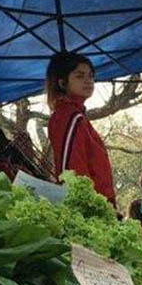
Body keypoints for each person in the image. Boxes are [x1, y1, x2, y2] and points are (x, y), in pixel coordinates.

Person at [45, 52, 116, 205]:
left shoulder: (77, 116)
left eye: (91, 76)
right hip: (89, 205)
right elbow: (70, 172)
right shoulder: (68, 116)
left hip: (99, 202)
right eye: (79, 76)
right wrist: (90, 206)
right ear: (62, 83)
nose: (88, 81)